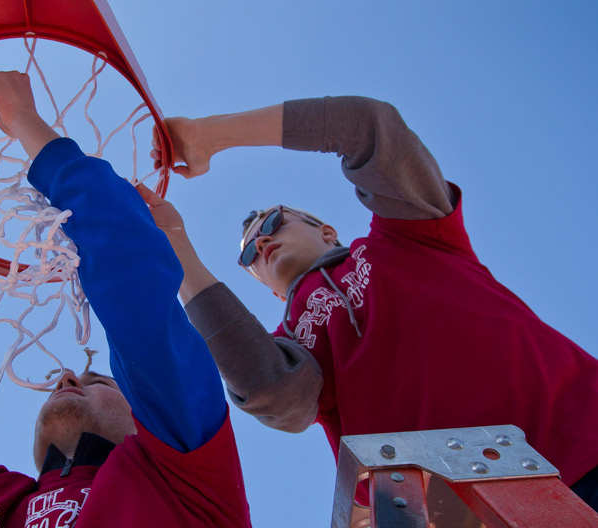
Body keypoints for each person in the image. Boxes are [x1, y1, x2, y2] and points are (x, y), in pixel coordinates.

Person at [140, 96, 598, 510]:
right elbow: (270, 391)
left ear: (327, 231)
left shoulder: (410, 234)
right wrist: (176, 246)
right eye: (248, 253)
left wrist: (208, 136)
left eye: (275, 221)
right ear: (268, 288)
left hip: (583, 436)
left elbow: (370, 128)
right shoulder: (293, 345)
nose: (261, 241)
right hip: (458, 511)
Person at [0, 71, 251, 528]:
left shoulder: (187, 477)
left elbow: (138, 299)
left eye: (102, 380)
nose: (67, 376)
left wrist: (26, 121)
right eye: (93, 378)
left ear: (143, 410)